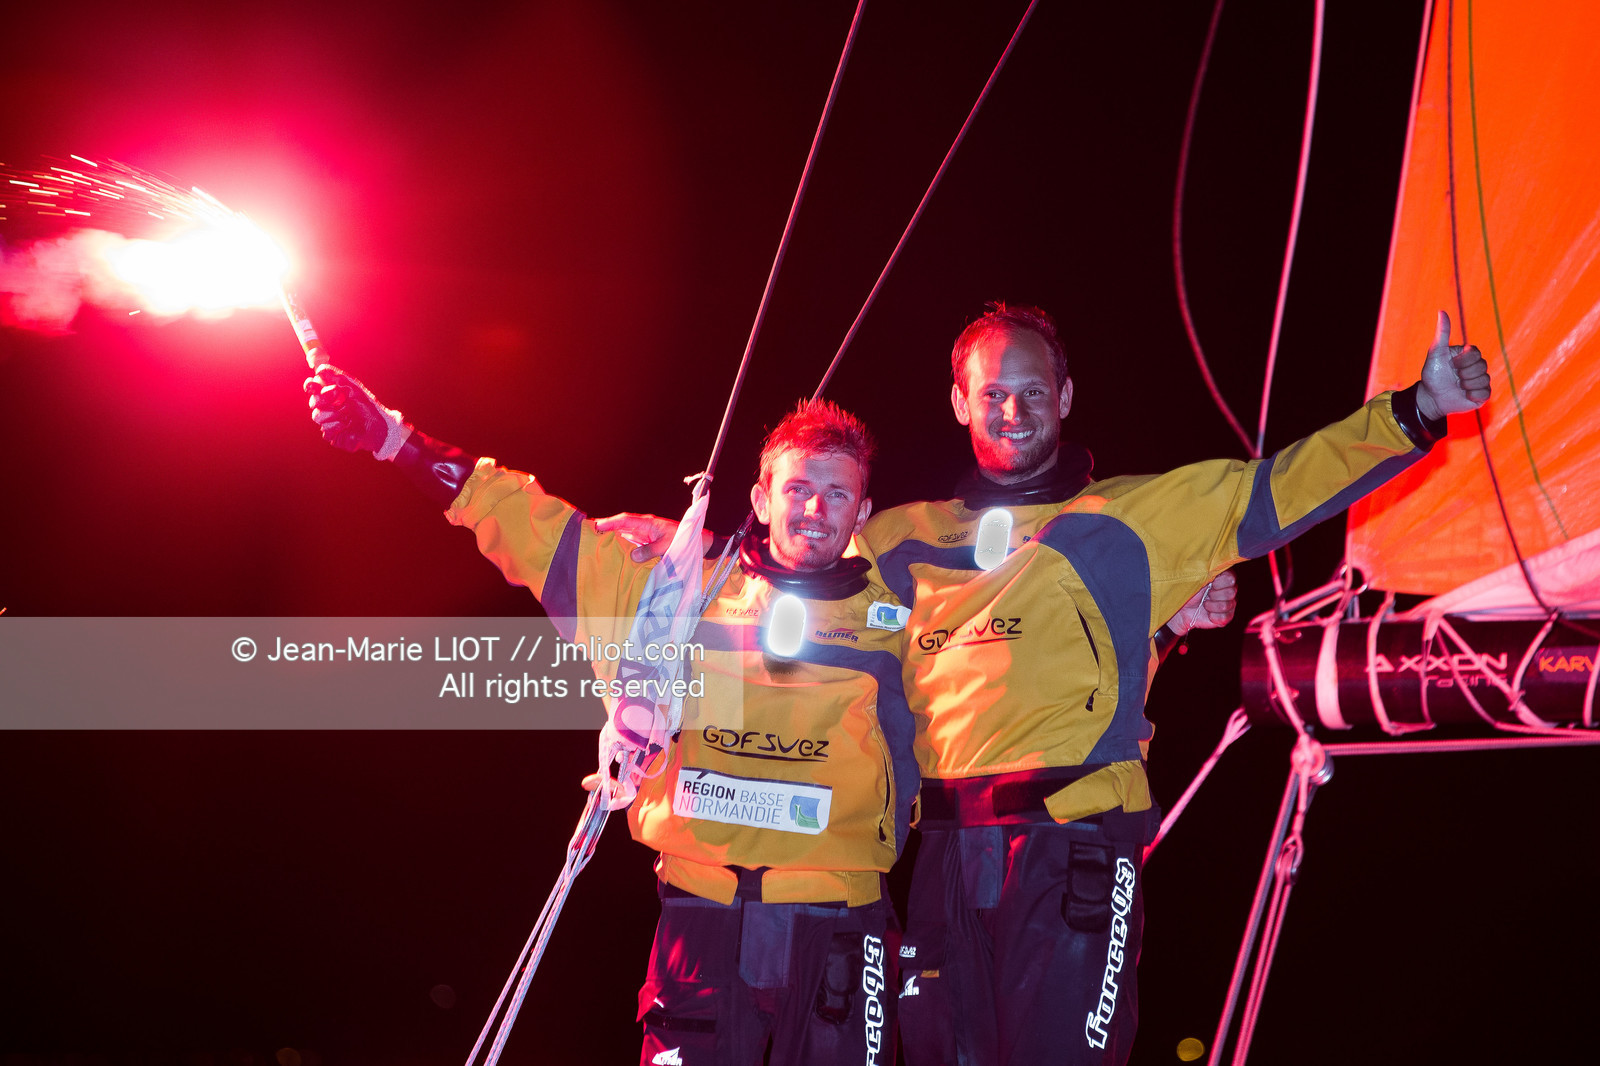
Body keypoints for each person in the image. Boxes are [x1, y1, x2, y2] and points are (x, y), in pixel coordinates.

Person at [858, 304, 1490, 1066]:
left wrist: (1415, 412)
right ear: (961, 402)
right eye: (993, 393)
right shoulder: (896, 540)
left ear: (1064, 397)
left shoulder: (1130, 515)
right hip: (945, 863)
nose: (1013, 411)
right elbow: (792, 603)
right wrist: (680, 557)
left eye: (1032, 392)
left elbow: (1278, 489)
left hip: (1069, 849)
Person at [303, 375, 914, 1066]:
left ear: (862, 512)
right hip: (701, 917)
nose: (814, 509)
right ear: (761, 499)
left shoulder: (899, 614)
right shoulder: (674, 595)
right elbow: (535, 529)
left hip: (840, 926)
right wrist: (395, 439)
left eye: (837, 494)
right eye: (798, 488)